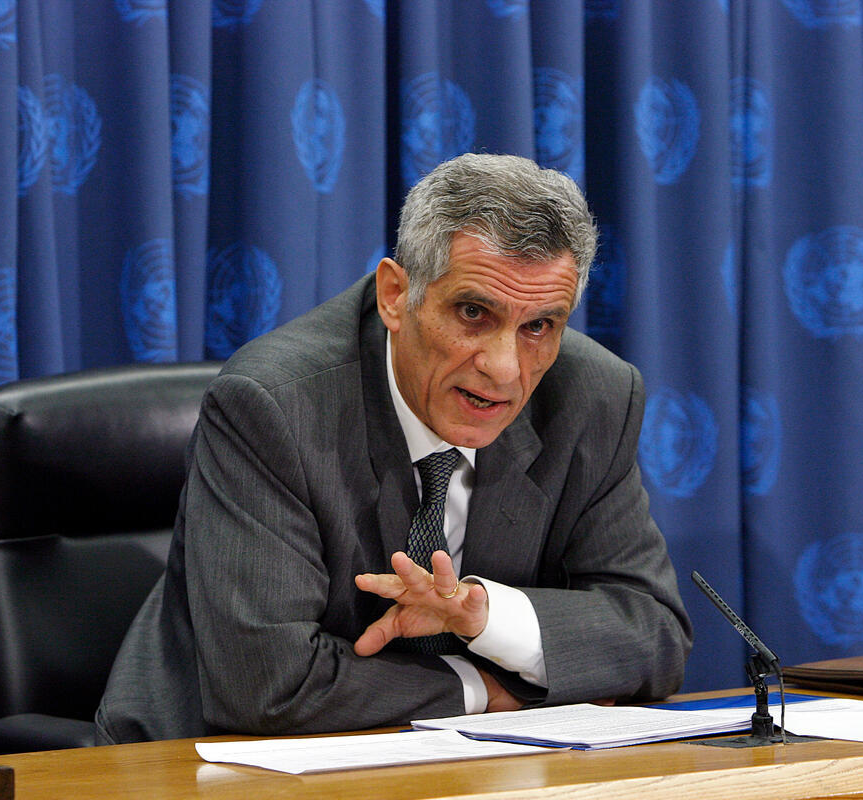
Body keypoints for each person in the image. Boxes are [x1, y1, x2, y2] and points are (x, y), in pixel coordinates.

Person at [96, 153, 692, 743]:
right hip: (203, 762)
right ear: (395, 295)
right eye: (473, 312)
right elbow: (266, 683)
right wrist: (482, 691)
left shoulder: (593, 397)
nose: (506, 369)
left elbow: (655, 634)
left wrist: (486, 615)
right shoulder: (273, 407)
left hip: (456, 768)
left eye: (539, 326)